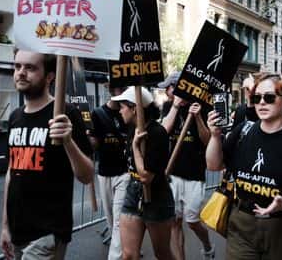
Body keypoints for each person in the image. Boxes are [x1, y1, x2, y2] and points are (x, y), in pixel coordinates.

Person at [206, 73, 282, 259]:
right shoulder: (243, 131)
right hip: (242, 225)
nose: (261, 103)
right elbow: (214, 165)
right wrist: (214, 136)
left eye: (269, 97)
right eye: (257, 98)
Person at [0, 49, 94, 260]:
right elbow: (10, 174)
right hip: (17, 231)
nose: (21, 73)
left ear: (50, 77)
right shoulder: (15, 117)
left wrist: (68, 141)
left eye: (30, 68)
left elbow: (87, 176)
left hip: (47, 233)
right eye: (17, 66)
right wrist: (5, 227)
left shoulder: (65, 114)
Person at [111, 87, 176, 260]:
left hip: (157, 198)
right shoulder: (133, 129)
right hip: (133, 193)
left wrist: (135, 148)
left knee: (163, 255)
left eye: (123, 106)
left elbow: (146, 176)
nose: (120, 110)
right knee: (129, 255)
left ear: (134, 108)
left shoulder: (157, 133)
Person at [162, 96, 214, 260]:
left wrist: (198, 116)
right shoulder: (170, 106)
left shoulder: (203, 107)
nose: (170, 92)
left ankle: (207, 245)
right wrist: (175, 107)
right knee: (175, 223)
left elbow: (207, 141)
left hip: (194, 175)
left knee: (192, 221)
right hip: (172, 174)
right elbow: (163, 131)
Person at [89, 85, 129, 260]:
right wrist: (87, 138)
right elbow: (94, 144)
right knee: (111, 219)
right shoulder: (97, 113)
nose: (122, 91)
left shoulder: (128, 111)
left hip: (124, 172)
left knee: (119, 219)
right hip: (104, 172)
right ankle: (127, 245)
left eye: (125, 88)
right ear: (112, 90)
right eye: (120, 88)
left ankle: (116, 255)